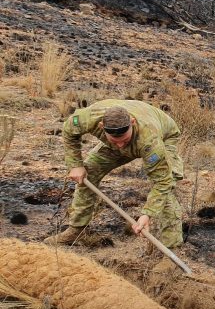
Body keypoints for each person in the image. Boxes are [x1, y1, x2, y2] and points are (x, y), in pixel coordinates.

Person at [46, 99, 184, 249]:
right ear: (101, 127)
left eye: (124, 140)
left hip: (164, 135)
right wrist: (76, 165)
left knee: (168, 186)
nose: (120, 145)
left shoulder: (150, 141)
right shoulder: (90, 118)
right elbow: (68, 129)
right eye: (115, 140)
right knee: (88, 173)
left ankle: (171, 246)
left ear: (132, 122)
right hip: (122, 141)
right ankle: (76, 229)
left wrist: (147, 214)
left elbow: (162, 182)